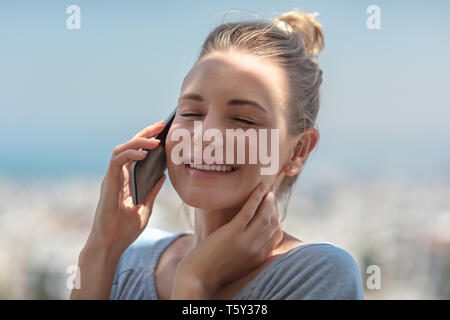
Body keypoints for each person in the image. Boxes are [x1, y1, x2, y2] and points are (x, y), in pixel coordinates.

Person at [70, 10, 364, 300]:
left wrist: (194, 283)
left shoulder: (317, 276)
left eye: (244, 120)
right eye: (192, 112)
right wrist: (102, 247)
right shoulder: (130, 258)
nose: (205, 135)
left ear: (298, 151)